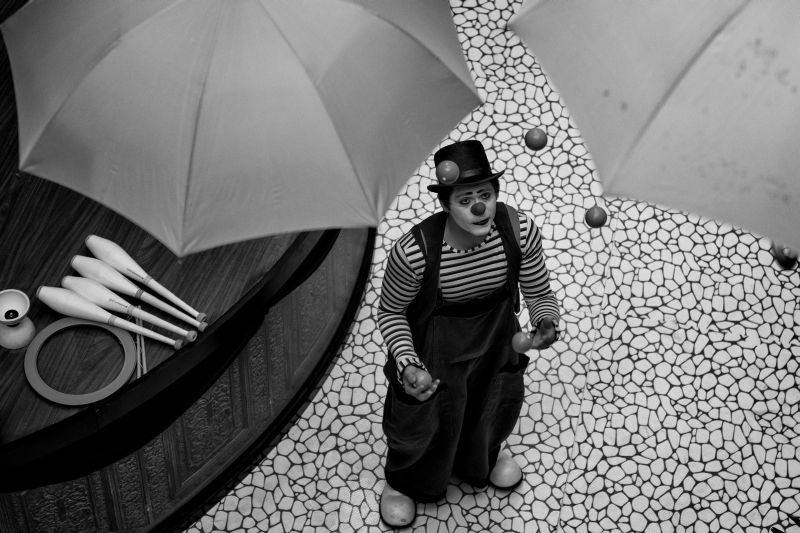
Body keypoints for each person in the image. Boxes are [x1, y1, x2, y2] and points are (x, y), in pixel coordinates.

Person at [376, 139, 561, 527]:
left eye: (485, 195)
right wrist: (407, 364)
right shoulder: (414, 252)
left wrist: (545, 321)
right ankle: (405, 483)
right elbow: (391, 312)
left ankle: (485, 457)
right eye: (465, 200)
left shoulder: (519, 230)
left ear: (495, 194)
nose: (480, 206)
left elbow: (539, 291)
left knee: (492, 404)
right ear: (445, 204)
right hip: (435, 350)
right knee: (424, 421)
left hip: (496, 343)